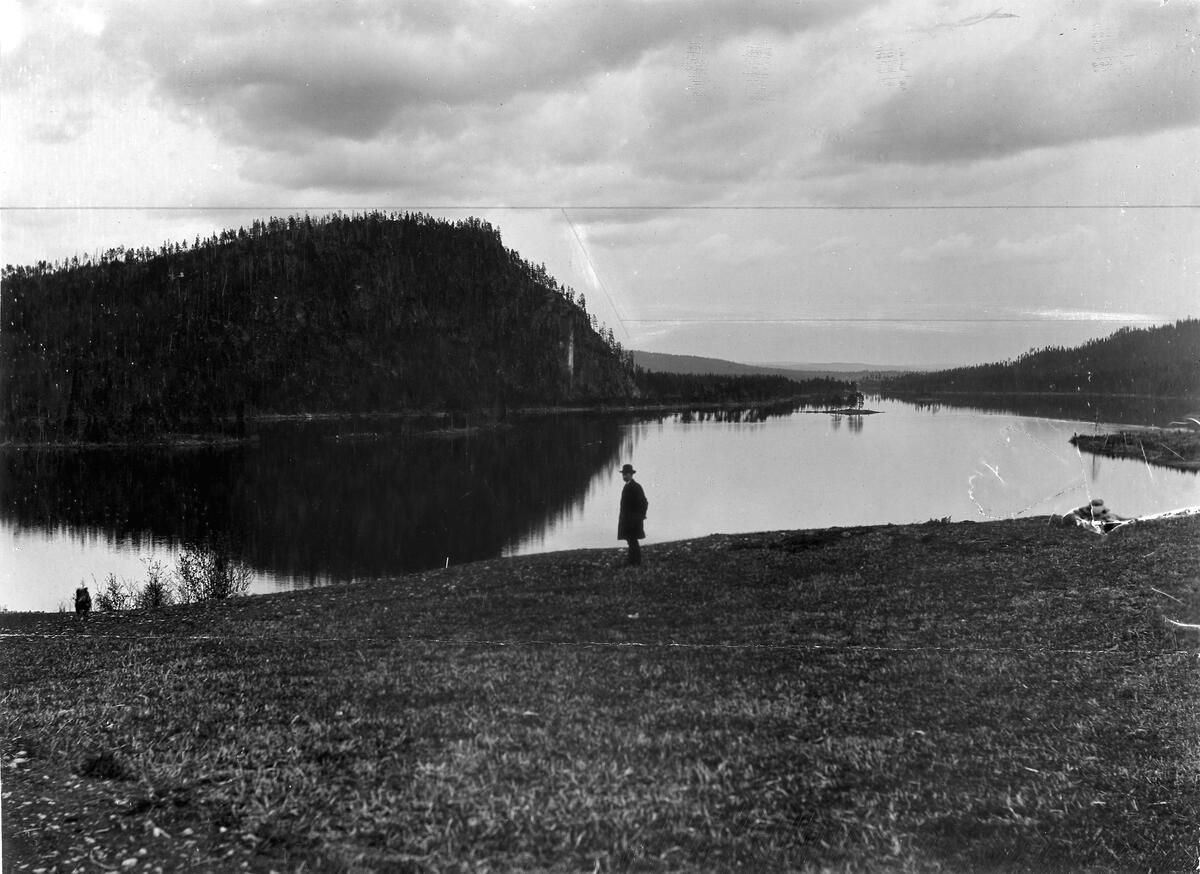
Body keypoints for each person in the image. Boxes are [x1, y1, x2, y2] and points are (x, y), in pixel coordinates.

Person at [618, 463, 649, 566]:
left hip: (633, 521)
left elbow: (644, 503)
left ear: (631, 474)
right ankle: (632, 561)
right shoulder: (627, 486)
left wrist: (640, 517)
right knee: (630, 540)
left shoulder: (636, 486)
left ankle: (636, 562)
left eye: (626, 474)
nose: (624, 476)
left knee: (632, 540)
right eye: (623, 474)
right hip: (627, 520)